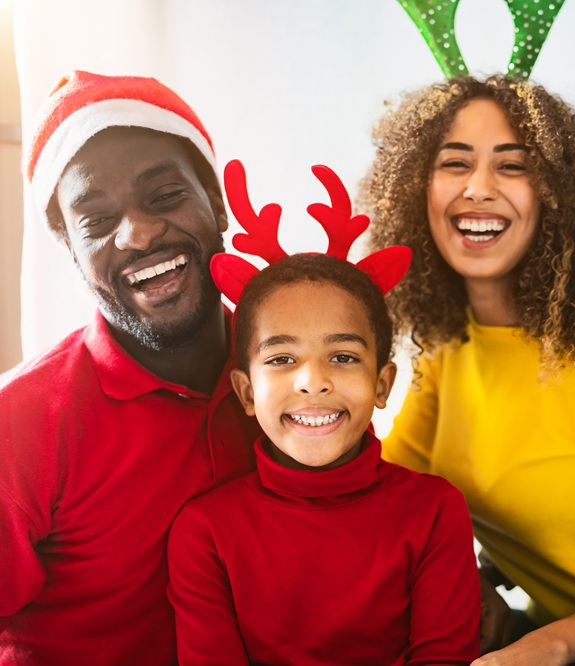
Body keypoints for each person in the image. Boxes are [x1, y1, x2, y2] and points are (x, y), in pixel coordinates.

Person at [362, 74, 575, 665]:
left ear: (556, 194)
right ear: (418, 189)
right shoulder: (448, 348)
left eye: (512, 166)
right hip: (531, 633)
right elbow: (380, 505)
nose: (478, 189)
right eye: (454, 163)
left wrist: (539, 651)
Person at [167, 162, 481, 664]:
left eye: (343, 356)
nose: (313, 380)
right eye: (282, 359)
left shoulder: (434, 511)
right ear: (246, 394)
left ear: (382, 384)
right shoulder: (205, 531)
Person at [0, 71, 259, 664]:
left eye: (165, 196)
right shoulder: (19, 423)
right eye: (95, 220)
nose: (138, 233)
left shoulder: (298, 369)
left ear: (215, 203)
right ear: (70, 249)